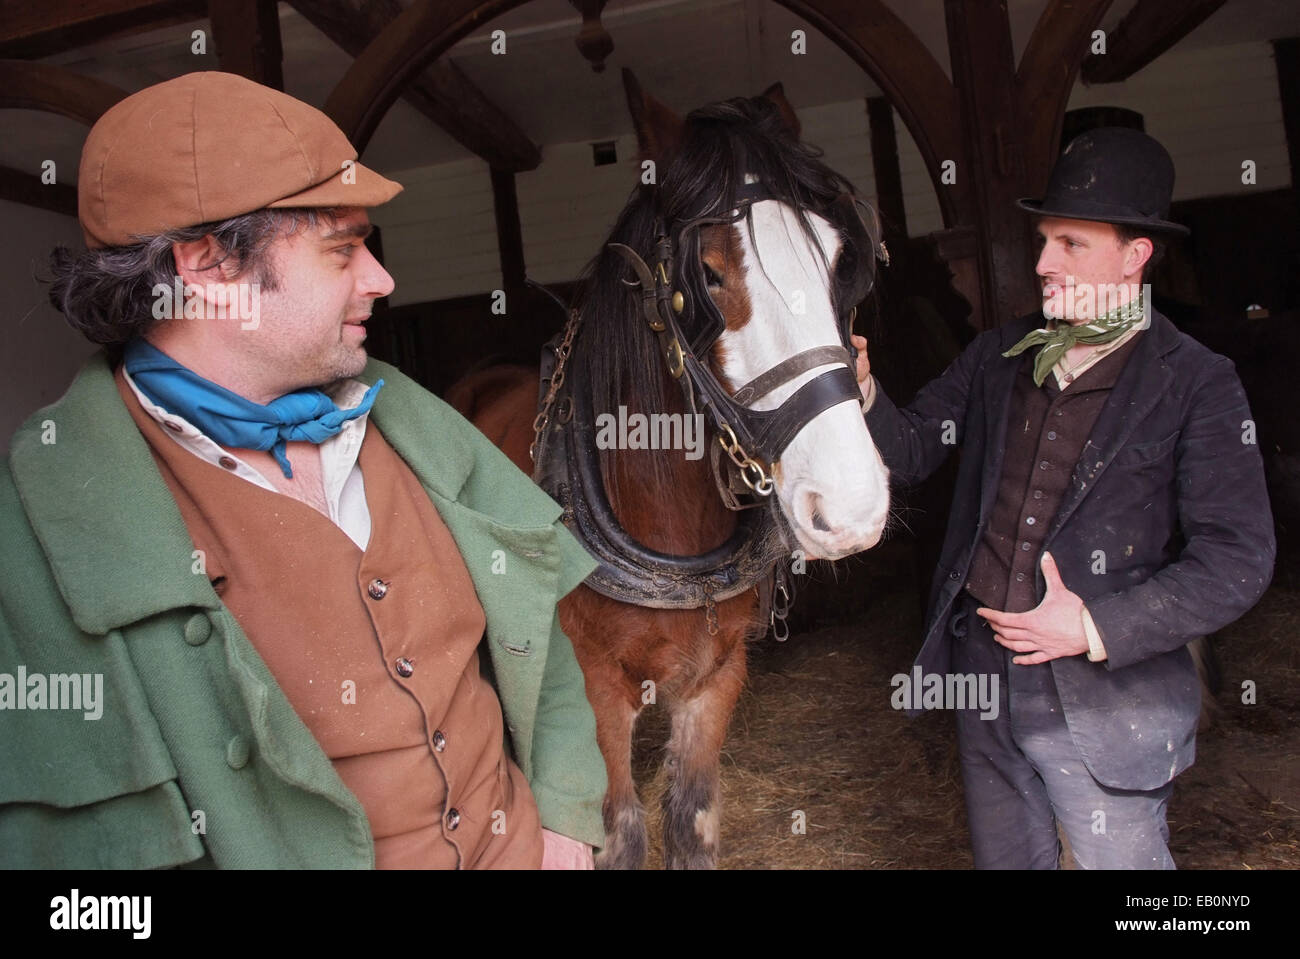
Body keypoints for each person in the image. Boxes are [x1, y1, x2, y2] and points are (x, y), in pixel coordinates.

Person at [0, 71, 606, 869]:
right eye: (343, 249)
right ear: (210, 264)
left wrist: (565, 820)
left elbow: (542, 639)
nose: (381, 280)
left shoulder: (413, 423)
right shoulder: (40, 530)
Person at [853, 127, 1274, 869]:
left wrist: (1094, 623)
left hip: (1112, 700)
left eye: (1071, 244)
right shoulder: (998, 354)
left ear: (1136, 254)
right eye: (1045, 239)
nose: (1042, 263)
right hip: (982, 679)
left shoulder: (1197, 381)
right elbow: (914, 449)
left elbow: (1239, 558)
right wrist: (862, 392)